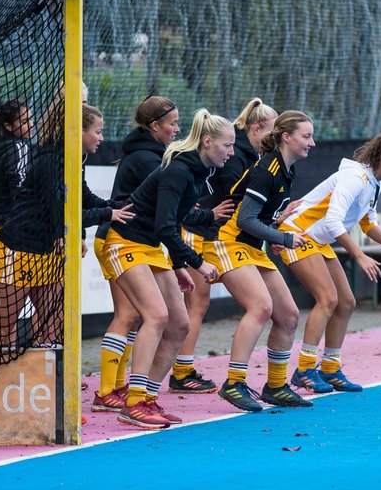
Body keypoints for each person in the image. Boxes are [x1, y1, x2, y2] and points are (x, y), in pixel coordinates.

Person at [99, 109, 235, 429]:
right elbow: (165, 228)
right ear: (207, 142)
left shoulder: (200, 173)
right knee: (156, 316)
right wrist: (197, 262)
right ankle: (132, 402)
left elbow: (170, 223)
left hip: (152, 247)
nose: (231, 152)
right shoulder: (179, 171)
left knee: (179, 325)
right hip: (125, 242)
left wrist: (177, 266)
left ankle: (146, 397)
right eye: (227, 145)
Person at [280, 129, 381, 393]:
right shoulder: (354, 178)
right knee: (328, 299)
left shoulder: (373, 182)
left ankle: (330, 368)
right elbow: (333, 220)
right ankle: (305, 369)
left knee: (347, 302)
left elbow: (367, 222)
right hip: (296, 234)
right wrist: (359, 255)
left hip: (319, 241)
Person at [0, 102, 131, 347]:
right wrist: (108, 213)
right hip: (23, 246)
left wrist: (121, 206)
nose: (101, 138)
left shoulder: (74, 159)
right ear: (78, 130)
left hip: (48, 248)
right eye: (97, 131)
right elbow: (65, 213)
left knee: (53, 321)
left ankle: (48, 378)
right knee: (2, 322)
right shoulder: (51, 161)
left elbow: (85, 198)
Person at [206, 110, 319, 411]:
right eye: (306, 136)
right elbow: (244, 219)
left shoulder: (286, 169)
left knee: (289, 315)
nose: (313, 143)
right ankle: (233, 382)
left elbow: (261, 218)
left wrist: (277, 227)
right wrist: (283, 238)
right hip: (227, 241)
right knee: (261, 306)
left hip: (252, 247)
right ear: (286, 137)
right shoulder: (266, 169)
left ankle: (277, 386)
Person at [169, 97, 277, 394]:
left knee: (194, 305)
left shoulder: (246, 155)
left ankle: (180, 368)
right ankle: (179, 371)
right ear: (256, 129)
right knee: (195, 303)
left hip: (206, 230)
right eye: (273, 133)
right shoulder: (239, 158)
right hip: (197, 230)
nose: (276, 140)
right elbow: (235, 198)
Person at [89, 96, 180, 412]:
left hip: (134, 241)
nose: (177, 130)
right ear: (155, 126)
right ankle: (106, 391)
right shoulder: (147, 159)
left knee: (139, 315)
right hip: (117, 239)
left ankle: (118, 386)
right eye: (172, 124)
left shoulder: (152, 154)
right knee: (128, 315)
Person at [0, 99, 33, 346]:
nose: (31, 125)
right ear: (9, 126)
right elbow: (19, 187)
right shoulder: (18, 148)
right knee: (6, 300)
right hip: (6, 230)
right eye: (25, 120)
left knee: (4, 299)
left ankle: (3, 351)